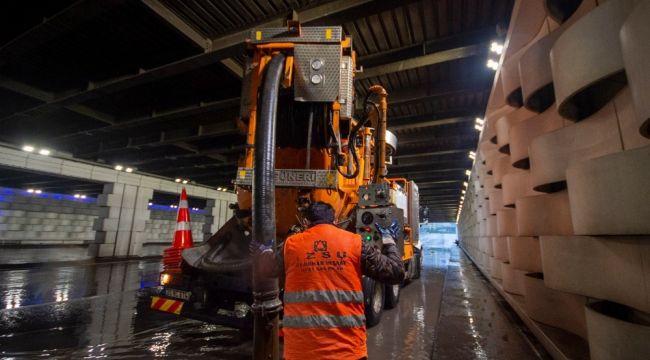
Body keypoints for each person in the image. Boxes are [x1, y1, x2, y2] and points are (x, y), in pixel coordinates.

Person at [251, 201, 405, 360]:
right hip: (347, 351)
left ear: (305, 223)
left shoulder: (290, 246)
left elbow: (266, 270)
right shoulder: (355, 243)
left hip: (300, 353)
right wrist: (389, 241)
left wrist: (263, 253)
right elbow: (396, 272)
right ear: (335, 221)